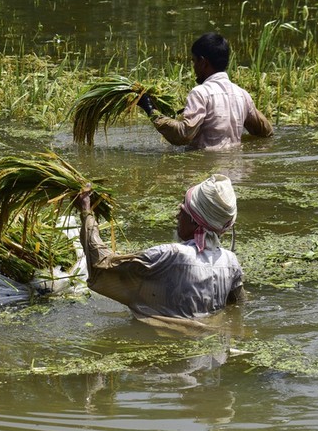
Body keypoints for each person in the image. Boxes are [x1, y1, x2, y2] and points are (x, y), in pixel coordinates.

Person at [74, 174, 244, 323]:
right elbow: (237, 306)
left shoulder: (171, 256)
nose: (178, 214)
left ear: (195, 221)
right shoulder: (231, 262)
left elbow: (102, 264)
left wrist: (86, 212)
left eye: (183, 209)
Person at [137, 32, 273, 150]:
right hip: (235, 170)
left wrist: (151, 111)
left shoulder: (200, 93)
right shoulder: (242, 95)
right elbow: (266, 131)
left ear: (203, 63)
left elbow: (183, 134)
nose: (194, 67)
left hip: (204, 170)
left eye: (194, 61)